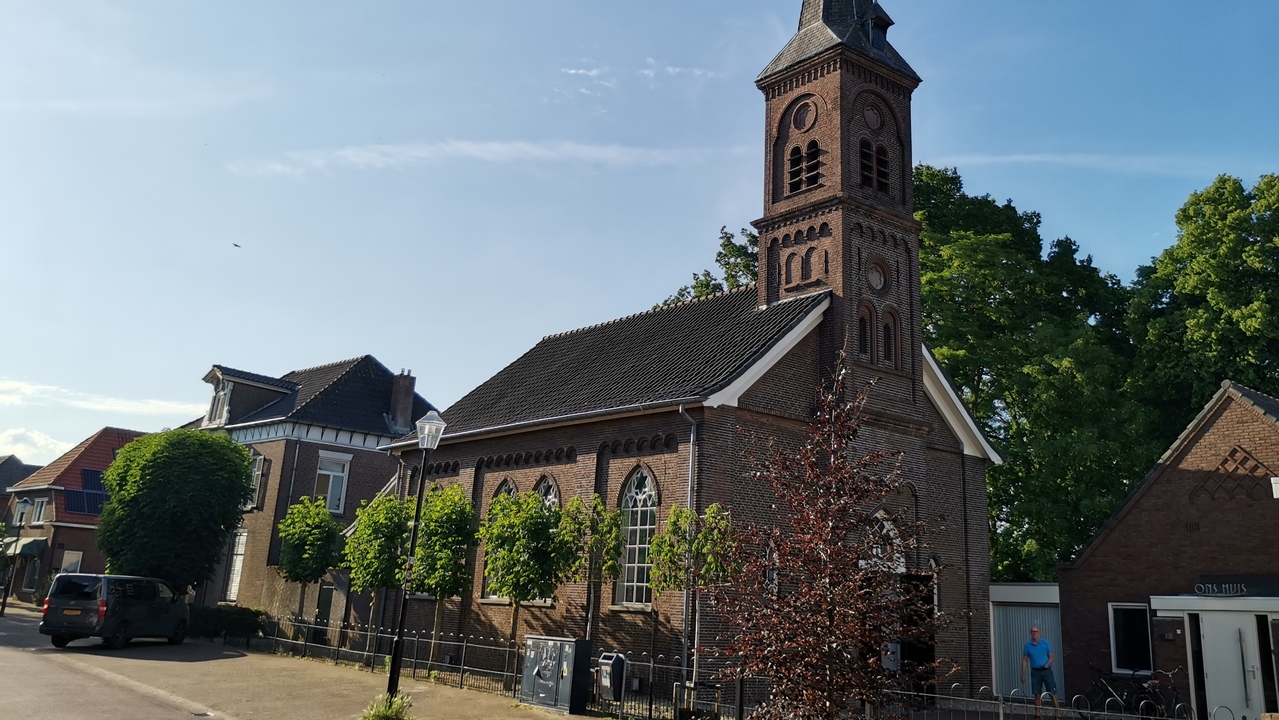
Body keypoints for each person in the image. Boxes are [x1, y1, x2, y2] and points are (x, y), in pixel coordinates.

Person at [1021, 625, 1059, 716]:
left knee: (1052, 693)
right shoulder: (1027, 646)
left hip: (1046, 671)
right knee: (1036, 693)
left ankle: (1057, 714)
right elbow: (1025, 660)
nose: (1035, 633)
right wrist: (1023, 674)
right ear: (1030, 633)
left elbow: (1051, 656)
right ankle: (1037, 714)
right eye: (1033, 632)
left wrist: (1047, 664)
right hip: (1035, 672)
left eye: (1036, 632)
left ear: (1039, 633)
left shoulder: (1045, 643)